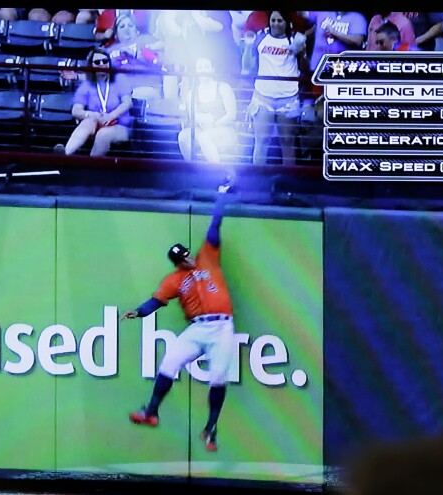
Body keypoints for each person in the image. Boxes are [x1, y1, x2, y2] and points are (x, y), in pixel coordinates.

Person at [121, 179, 236, 453]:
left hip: (221, 327)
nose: (189, 260)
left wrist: (221, 197)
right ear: (178, 263)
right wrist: (137, 312)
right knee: (168, 363)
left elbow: (214, 227)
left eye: (187, 254)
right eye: (183, 259)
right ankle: (151, 411)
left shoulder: (206, 257)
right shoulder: (174, 280)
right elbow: (156, 301)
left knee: (218, 377)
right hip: (197, 329)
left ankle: (210, 428)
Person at [242, 10, 306, 166]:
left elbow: (305, 68)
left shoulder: (294, 39)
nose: (276, 24)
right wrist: (248, 48)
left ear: (286, 22)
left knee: (287, 142)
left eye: (280, 21)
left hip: (288, 98)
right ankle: (257, 183)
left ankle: (288, 185)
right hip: (263, 96)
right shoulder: (260, 37)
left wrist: (302, 52)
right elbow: (248, 65)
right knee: (261, 142)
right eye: (273, 20)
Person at [53, 47, 133, 156]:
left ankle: (90, 165)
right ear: (92, 66)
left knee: (103, 134)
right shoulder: (87, 84)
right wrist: (90, 114)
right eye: (97, 62)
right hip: (97, 121)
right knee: (87, 122)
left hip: (120, 125)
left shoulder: (120, 78)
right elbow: (76, 110)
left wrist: (110, 116)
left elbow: (127, 103)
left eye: (105, 61)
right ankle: (64, 154)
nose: (102, 64)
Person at [178, 56, 238, 164]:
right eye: (200, 68)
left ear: (212, 69)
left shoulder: (223, 88)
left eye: (206, 67)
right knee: (183, 136)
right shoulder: (192, 93)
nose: (203, 70)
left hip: (224, 129)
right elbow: (193, 116)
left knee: (204, 137)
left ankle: (216, 171)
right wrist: (201, 118)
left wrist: (215, 123)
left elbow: (232, 114)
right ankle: (192, 168)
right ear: (196, 71)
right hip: (202, 128)